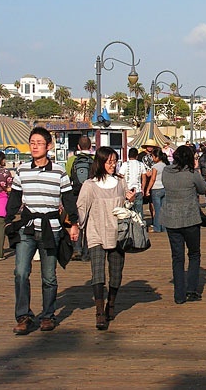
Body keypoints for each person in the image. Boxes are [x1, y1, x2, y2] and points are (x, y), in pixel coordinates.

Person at [5, 127, 80, 335]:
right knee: (20, 272)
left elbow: (68, 200)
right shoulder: (22, 170)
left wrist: (74, 223)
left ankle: (48, 315)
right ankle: (24, 316)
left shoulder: (59, 172)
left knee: (49, 276)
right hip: (27, 228)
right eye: (32, 142)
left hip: (51, 229)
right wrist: (8, 220)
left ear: (49, 146)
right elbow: (14, 198)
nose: (35, 146)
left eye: (39, 143)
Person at [76, 147, 136, 330]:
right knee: (98, 272)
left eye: (115, 161)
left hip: (118, 233)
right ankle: (99, 310)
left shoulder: (120, 182)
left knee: (116, 272)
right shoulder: (89, 185)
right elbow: (81, 207)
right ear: (100, 162)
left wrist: (130, 199)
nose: (112, 165)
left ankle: (112, 303)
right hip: (96, 232)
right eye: (109, 161)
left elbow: (127, 204)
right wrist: (78, 228)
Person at [161, 145, 206, 304]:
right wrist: (196, 170)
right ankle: (192, 290)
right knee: (194, 254)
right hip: (190, 219)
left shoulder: (166, 172)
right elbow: (203, 189)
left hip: (171, 219)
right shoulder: (192, 174)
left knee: (177, 257)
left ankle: (179, 295)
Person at [67, 136, 94, 261]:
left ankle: (76, 249)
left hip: (76, 194)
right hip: (91, 195)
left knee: (77, 221)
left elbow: (67, 177)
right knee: (89, 223)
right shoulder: (94, 160)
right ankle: (87, 251)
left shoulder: (72, 159)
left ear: (78, 147)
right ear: (90, 147)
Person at [145, 146, 169, 233]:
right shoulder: (165, 165)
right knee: (163, 209)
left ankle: (157, 227)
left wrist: (147, 189)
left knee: (157, 210)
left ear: (156, 157)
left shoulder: (155, 166)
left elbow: (153, 179)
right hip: (164, 188)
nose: (152, 158)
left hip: (156, 189)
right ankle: (164, 228)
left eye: (153, 156)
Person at [118, 147, 147, 214]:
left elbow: (120, 177)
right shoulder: (141, 164)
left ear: (128, 156)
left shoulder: (125, 164)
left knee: (127, 212)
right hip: (138, 190)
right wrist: (143, 188)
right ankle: (140, 224)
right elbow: (144, 177)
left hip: (127, 191)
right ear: (137, 156)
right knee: (139, 212)